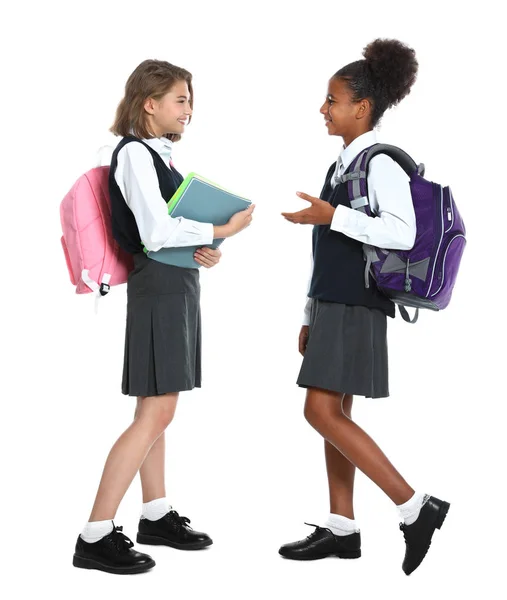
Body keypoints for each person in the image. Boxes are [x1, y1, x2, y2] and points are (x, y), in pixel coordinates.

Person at [72, 59, 255, 575]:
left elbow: (171, 230)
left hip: (175, 283)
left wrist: (203, 247)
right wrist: (220, 232)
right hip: (158, 286)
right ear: (149, 103)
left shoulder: (158, 156)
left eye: (190, 100)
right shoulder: (135, 154)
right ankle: (95, 534)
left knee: (157, 403)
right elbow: (154, 234)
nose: (189, 109)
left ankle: (153, 513)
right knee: (158, 411)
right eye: (180, 99)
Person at [280, 38, 449, 576]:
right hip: (334, 301)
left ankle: (414, 507)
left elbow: (402, 233)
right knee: (337, 415)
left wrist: (334, 217)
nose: (323, 109)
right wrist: (309, 313)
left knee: (320, 412)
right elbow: (323, 247)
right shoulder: (342, 164)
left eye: (332, 100)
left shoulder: (380, 164)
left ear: (362, 108)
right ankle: (342, 528)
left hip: (357, 301)